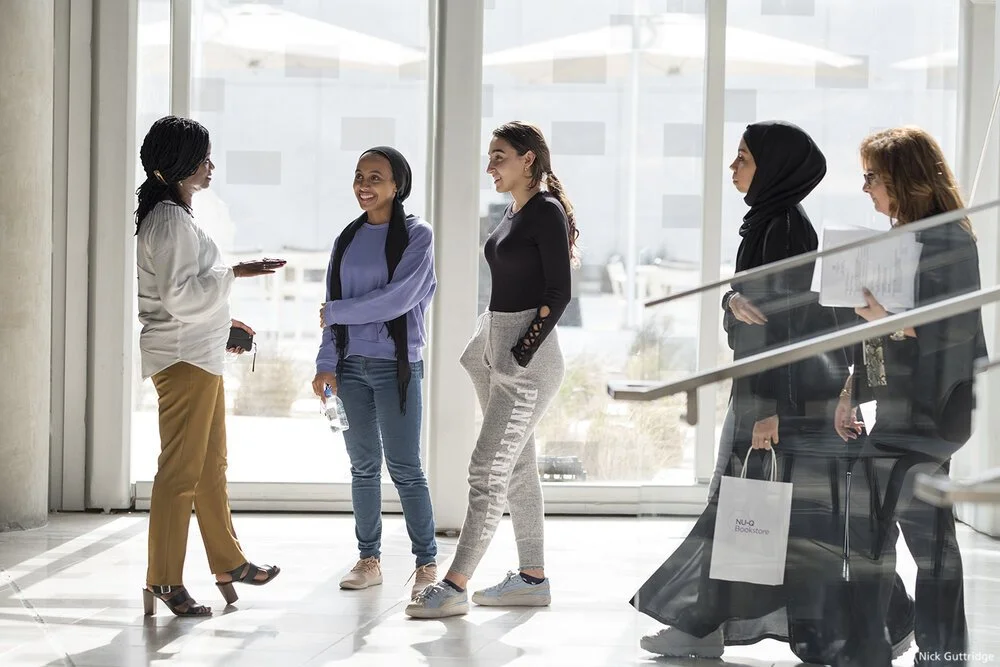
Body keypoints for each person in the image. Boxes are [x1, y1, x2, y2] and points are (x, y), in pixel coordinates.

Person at [632, 121, 896, 664]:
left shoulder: (780, 228)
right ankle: (706, 623)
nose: (734, 167)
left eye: (744, 158)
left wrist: (766, 408)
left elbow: (782, 329)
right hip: (771, 391)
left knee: (757, 509)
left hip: (773, 395)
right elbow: (758, 315)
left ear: (773, 168)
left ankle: (704, 624)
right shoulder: (769, 225)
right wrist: (732, 302)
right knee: (770, 513)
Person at [405, 121, 577, 619]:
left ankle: (455, 584)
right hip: (500, 357)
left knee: (487, 469)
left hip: (527, 366)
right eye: (489, 157)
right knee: (517, 466)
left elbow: (557, 292)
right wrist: (489, 345)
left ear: (528, 159)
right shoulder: (516, 209)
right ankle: (532, 577)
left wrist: (520, 353)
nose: (490, 167)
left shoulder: (544, 211)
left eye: (498, 157)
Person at [833, 126, 987, 666]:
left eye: (871, 176)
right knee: (918, 528)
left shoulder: (948, 238)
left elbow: (953, 330)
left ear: (904, 177)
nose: (865, 187)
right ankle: (934, 648)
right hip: (903, 406)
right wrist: (852, 389)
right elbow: (878, 331)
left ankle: (899, 642)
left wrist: (889, 319)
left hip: (939, 404)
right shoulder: (900, 239)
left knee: (893, 522)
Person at [136, 116, 281, 617]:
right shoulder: (170, 220)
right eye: (202, 159)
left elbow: (187, 291)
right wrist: (235, 272)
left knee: (210, 466)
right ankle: (163, 579)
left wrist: (225, 317)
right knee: (180, 472)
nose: (210, 166)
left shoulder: (174, 216)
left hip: (199, 353)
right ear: (177, 165)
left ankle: (228, 562)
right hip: (183, 358)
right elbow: (180, 297)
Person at [313, 147, 439, 599]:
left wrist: (338, 311)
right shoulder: (346, 238)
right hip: (349, 369)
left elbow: (397, 299)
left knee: (406, 468)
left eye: (376, 177)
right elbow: (331, 312)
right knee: (363, 467)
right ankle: (369, 559)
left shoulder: (417, 236)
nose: (364, 185)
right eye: (359, 176)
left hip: (396, 367)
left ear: (397, 185)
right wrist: (325, 363)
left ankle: (427, 564)